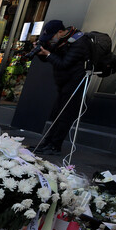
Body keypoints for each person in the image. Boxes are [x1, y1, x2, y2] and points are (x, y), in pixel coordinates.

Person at [33, 20, 94, 155]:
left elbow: (63, 64)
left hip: (75, 84)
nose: (51, 40)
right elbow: (52, 56)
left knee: (65, 116)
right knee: (57, 114)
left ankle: (55, 146)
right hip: (64, 83)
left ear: (60, 32)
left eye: (51, 37)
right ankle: (46, 143)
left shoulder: (79, 42)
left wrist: (48, 54)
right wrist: (42, 53)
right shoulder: (63, 40)